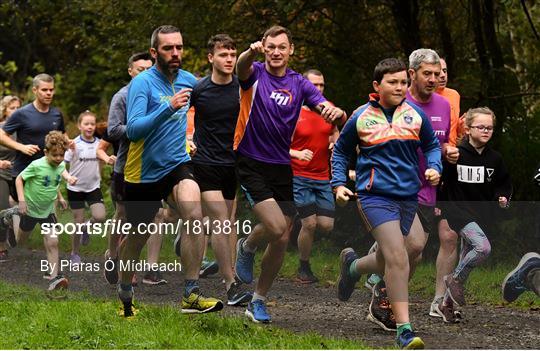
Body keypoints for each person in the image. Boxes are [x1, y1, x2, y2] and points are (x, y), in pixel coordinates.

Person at [233, 25, 346, 324]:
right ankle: (247, 245)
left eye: (282, 47)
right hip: (251, 159)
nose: (276, 52)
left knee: (283, 238)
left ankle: (258, 299)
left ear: (291, 50)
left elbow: (323, 106)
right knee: (273, 226)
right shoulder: (255, 72)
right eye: (271, 46)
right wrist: (249, 52)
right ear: (264, 48)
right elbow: (240, 68)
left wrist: (335, 113)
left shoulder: (299, 83)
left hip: (282, 164)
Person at [332, 58, 441, 349]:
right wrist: (339, 184)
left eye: (404, 82)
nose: (400, 87)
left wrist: (435, 167)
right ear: (377, 86)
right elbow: (341, 152)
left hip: (408, 196)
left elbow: (431, 146)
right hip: (374, 195)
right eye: (393, 82)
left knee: (405, 250)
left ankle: (353, 267)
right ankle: (403, 329)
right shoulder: (361, 116)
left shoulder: (416, 115)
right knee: (396, 256)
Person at [118, 25, 222, 317]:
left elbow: (215, 107)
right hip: (143, 172)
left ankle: (191, 292)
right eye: (168, 48)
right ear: (154, 52)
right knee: (138, 238)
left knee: (194, 214)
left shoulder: (190, 80)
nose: (175, 53)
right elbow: (134, 131)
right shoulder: (143, 84)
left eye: (179, 47)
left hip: (177, 162)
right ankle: (125, 288)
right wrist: (168, 108)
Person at [190, 34, 251, 305]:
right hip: (205, 163)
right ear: (210, 58)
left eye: (232, 54)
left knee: (226, 220)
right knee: (220, 219)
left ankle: (190, 244)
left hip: (232, 165)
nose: (228, 59)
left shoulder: (243, 88)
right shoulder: (199, 89)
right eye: (223, 55)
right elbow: (178, 119)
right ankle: (231, 284)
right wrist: (186, 141)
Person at [102, 52, 168, 287]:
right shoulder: (122, 96)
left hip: (152, 165)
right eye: (140, 69)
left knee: (156, 216)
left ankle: (143, 265)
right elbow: (112, 130)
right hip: (126, 166)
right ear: (130, 71)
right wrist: (140, 128)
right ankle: (112, 256)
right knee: (122, 215)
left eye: (149, 69)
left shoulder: (157, 94)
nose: (145, 73)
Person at [440, 107, 512, 313]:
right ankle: (453, 279)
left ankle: (447, 305)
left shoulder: (495, 159)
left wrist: (503, 198)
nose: (486, 131)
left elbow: (504, 184)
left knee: (466, 257)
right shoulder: (456, 155)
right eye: (480, 127)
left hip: (482, 214)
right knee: (483, 248)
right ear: (468, 129)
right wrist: (439, 205)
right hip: (458, 212)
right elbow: (442, 181)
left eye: (489, 128)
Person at [289, 69, 338, 283]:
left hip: (322, 177)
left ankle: (296, 220)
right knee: (310, 224)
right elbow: (277, 145)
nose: (318, 90)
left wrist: (335, 142)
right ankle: (304, 266)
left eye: (322, 86)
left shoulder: (330, 110)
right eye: (314, 86)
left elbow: (335, 131)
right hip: (299, 175)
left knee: (326, 225)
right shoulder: (293, 112)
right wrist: (297, 153)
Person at [14, 131, 75, 290]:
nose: (59, 158)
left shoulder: (60, 164)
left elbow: (56, 181)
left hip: (48, 211)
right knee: (20, 241)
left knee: (53, 241)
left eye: (62, 155)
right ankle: (12, 219)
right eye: (55, 155)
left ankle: (54, 278)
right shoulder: (36, 165)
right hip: (31, 209)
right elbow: (19, 179)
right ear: (46, 152)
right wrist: (21, 201)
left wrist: (61, 197)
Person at [64, 111, 106, 264]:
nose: (89, 127)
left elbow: (101, 160)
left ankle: (87, 227)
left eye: (92, 124)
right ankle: (74, 254)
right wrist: (68, 177)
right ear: (79, 125)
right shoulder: (74, 144)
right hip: (75, 189)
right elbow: (62, 164)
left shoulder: (99, 144)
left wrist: (100, 174)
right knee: (77, 221)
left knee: (100, 217)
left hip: (93, 187)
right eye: (86, 124)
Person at [0, 95, 21, 261]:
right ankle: (1, 245)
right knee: (3, 206)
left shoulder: (23, 129)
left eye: (18, 108)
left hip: (20, 174)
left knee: (24, 208)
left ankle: (14, 232)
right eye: (12, 108)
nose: (15, 111)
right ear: (5, 110)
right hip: (1, 173)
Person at [436, 57, 461, 147]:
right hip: (430, 153)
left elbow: (454, 127)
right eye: (438, 72)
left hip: (452, 152)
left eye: (445, 71)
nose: (443, 75)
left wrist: (462, 126)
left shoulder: (454, 95)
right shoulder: (420, 97)